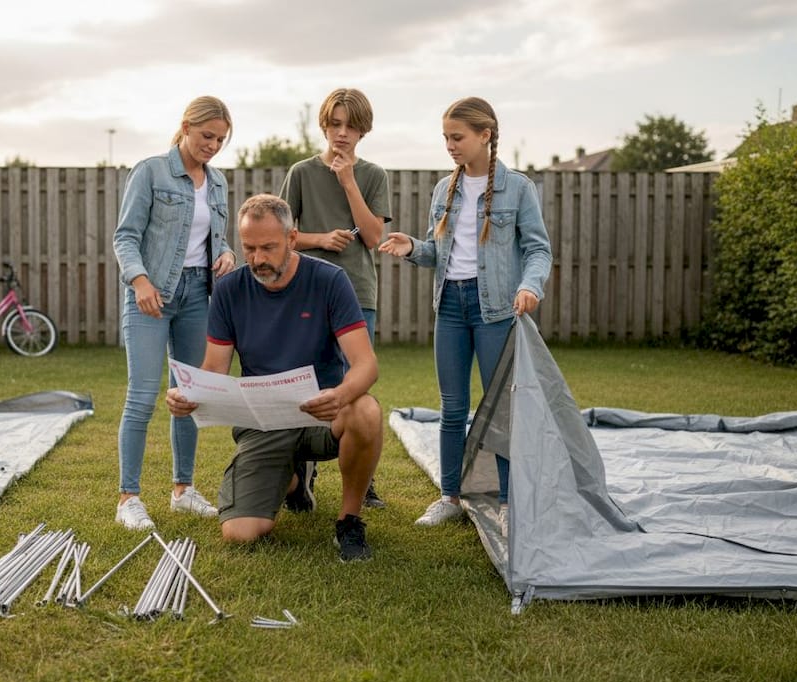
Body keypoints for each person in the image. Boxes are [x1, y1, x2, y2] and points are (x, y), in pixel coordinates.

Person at [166, 194, 383, 562]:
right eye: (249, 248)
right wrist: (187, 393)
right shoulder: (230, 289)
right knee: (240, 534)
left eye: (268, 247)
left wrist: (342, 395)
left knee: (366, 412)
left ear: (292, 239)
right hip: (263, 423)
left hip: (321, 414)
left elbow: (366, 365)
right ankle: (294, 483)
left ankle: (349, 520)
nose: (257, 258)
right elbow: (216, 367)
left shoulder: (330, 281)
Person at [378, 97, 552, 534]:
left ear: (485, 136)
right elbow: (439, 252)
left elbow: (537, 248)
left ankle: (511, 503)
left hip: (496, 309)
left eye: (457, 137)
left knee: (501, 410)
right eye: (446, 138)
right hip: (451, 307)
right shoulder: (444, 189)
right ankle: (450, 497)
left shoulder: (518, 188)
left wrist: (530, 286)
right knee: (452, 408)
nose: (450, 146)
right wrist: (413, 248)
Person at [111, 96, 237, 530]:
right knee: (142, 397)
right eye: (207, 136)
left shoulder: (218, 182)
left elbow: (215, 239)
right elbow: (125, 237)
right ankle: (129, 498)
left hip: (197, 297)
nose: (213, 145)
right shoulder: (151, 171)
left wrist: (226, 254)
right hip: (150, 295)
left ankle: (183, 490)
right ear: (186, 126)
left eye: (220, 139)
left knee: (187, 397)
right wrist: (139, 281)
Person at [279, 87, 392, 509]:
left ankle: (362, 478)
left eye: (351, 126)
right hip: (305, 292)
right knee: (305, 382)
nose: (342, 134)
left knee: (354, 386)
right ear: (324, 125)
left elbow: (376, 236)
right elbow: (282, 236)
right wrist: (319, 239)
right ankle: (301, 469)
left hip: (358, 293)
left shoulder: (373, 175)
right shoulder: (301, 173)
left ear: (363, 130)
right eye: (335, 124)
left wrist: (347, 181)